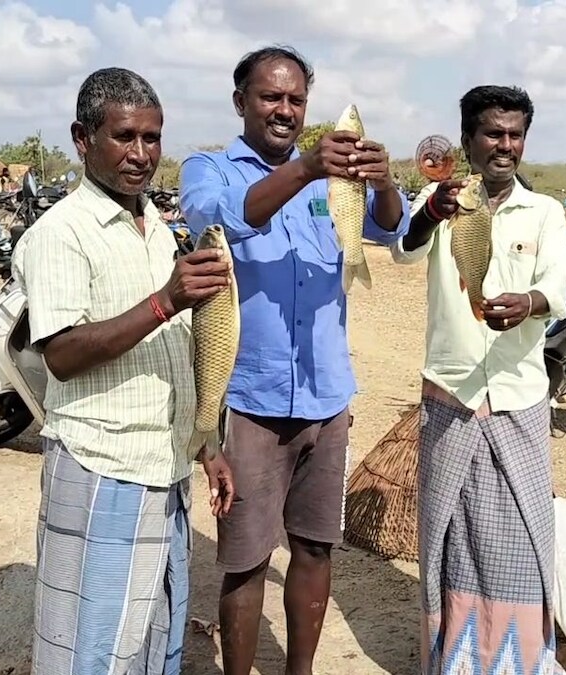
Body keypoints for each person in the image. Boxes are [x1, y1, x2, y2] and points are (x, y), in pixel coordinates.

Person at [178, 45, 409, 675]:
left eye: (296, 99)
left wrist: (384, 182)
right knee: (245, 559)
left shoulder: (333, 176)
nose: (284, 109)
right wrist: (305, 169)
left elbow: (390, 229)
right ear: (241, 102)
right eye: (270, 97)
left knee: (313, 546)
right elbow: (219, 216)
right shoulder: (210, 168)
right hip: (250, 399)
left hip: (326, 396)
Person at [13, 66, 236, 674]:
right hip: (102, 465)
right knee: (97, 642)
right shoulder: (60, 233)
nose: (142, 154)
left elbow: (182, 349)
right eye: (125, 137)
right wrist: (167, 300)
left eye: (153, 138)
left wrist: (206, 444)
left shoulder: (156, 226)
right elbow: (60, 353)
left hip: (162, 465)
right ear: (83, 140)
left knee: (152, 630)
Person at [390, 85, 566, 674]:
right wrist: (429, 215)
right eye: (494, 133)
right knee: (448, 533)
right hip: (451, 393)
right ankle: (455, 659)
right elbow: (404, 251)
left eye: (515, 135)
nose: (505, 146)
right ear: (469, 138)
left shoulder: (542, 211)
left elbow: (560, 287)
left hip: (518, 396)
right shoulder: (443, 200)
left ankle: (515, 662)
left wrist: (531, 302)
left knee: (520, 531)